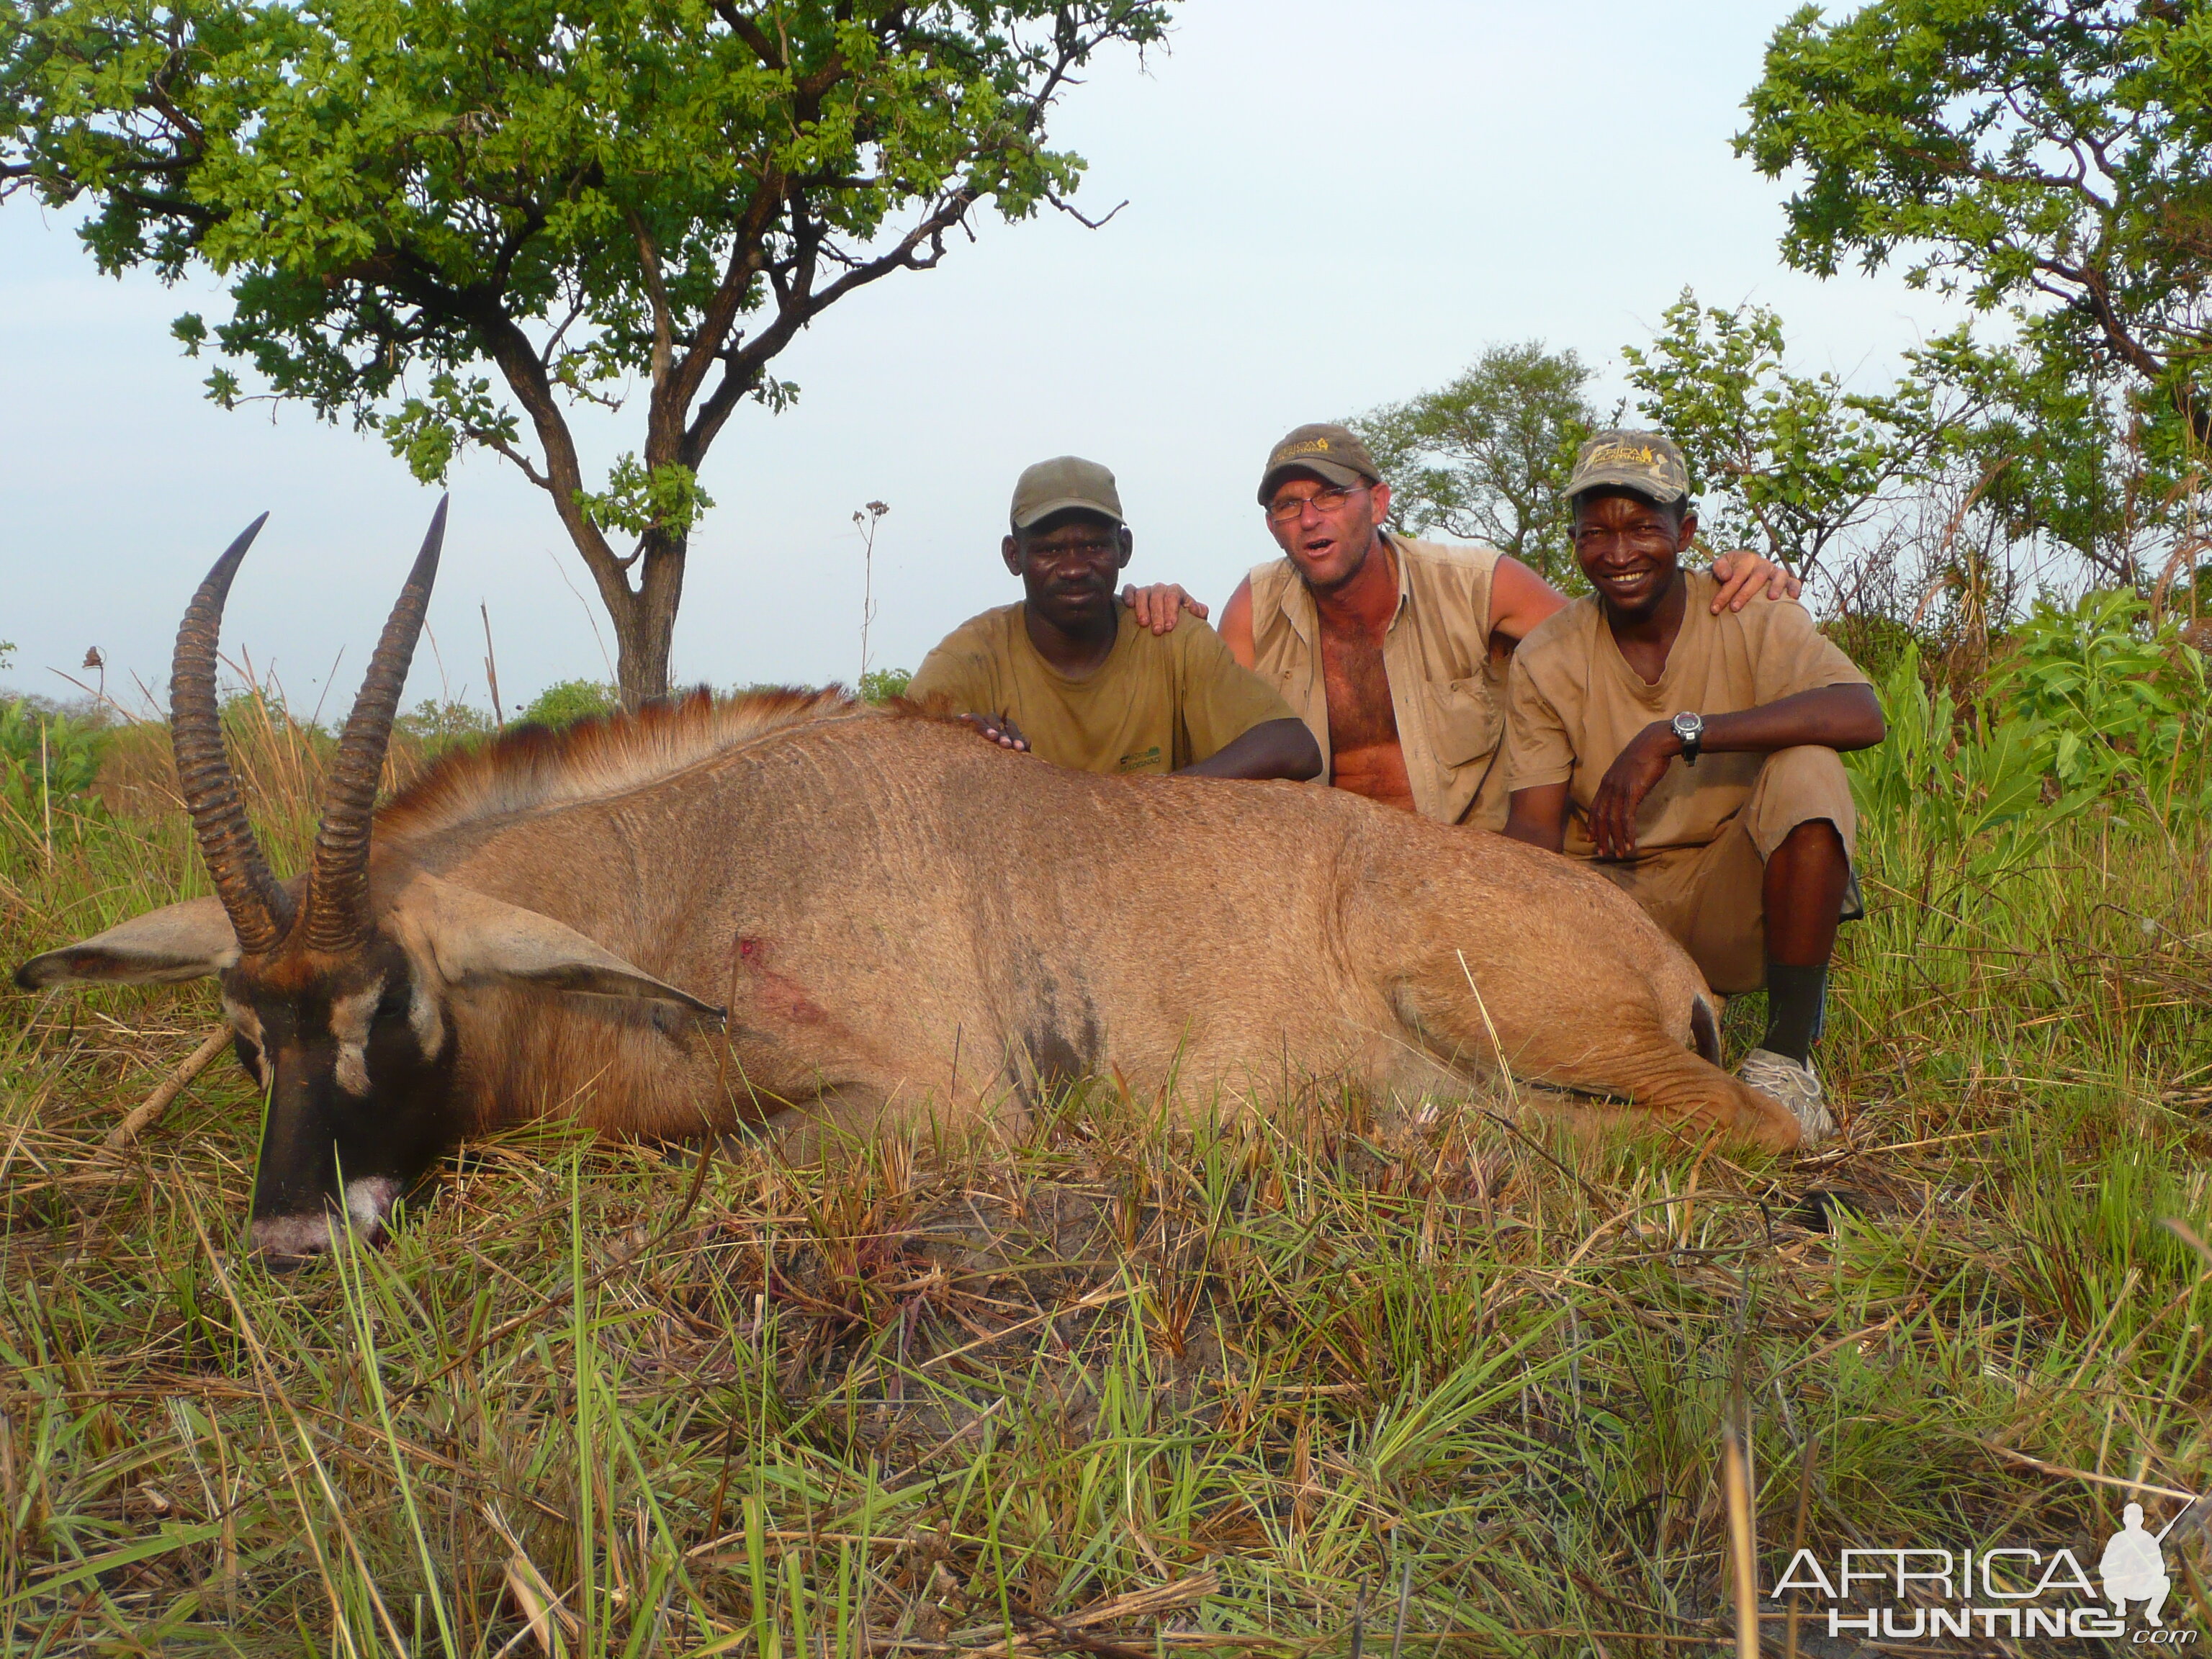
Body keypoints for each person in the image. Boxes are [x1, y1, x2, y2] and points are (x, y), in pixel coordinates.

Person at [1498, 431, 1886, 1137]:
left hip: (1726, 892)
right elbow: (1532, 834)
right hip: (1612, 900)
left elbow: (1861, 712)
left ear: (1688, 531)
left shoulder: (1750, 613)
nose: (1619, 555)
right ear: (1575, 540)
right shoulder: (1547, 656)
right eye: (1596, 534)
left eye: (1644, 528)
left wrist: (1678, 734)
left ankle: (1786, 1060)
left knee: (1811, 768)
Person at [1123, 423, 1798, 827]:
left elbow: (1609, 644)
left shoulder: (1478, 583)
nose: (1309, 518)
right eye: (1287, 505)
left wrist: (1721, 574)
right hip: (1318, 881)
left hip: (1470, 872)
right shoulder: (1253, 607)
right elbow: (1197, 724)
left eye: (1330, 495)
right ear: (1272, 525)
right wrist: (1156, 614)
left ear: (1379, 501)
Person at [909, 456, 1322, 781]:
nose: (1073, 568)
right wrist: (962, 742)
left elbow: (1294, 746)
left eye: (1092, 546)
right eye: (1049, 551)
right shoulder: (970, 655)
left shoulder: (1170, 637)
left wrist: (1142, 809)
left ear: (1123, 549)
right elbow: (901, 753)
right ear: (1014, 557)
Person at [2100, 1504, 2170, 1627]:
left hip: (2141, 1585)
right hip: (2119, 1586)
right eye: (2129, 1517)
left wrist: (2147, 1575)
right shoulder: (2117, 1539)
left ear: (2142, 1520)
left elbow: (2160, 1567)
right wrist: (2120, 1575)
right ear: (2124, 1520)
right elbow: (2104, 1567)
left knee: (2165, 1582)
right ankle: (2119, 1608)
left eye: (2136, 1518)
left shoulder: (2149, 1539)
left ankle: (2152, 1614)